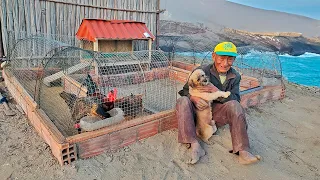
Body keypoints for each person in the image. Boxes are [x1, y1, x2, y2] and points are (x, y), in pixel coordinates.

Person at [176, 42, 261, 165]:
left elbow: (235, 98)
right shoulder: (202, 71)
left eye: (230, 59)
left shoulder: (235, 76)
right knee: (182, 101)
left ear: (234, 59)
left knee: (235, 105)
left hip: (214, 114)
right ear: (214, 56)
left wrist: (217, 91)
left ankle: (243, 151)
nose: (225, 63)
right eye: (221, 58)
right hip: (195, 112)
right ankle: (194, 144)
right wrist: (193, 98)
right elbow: (184, 90)